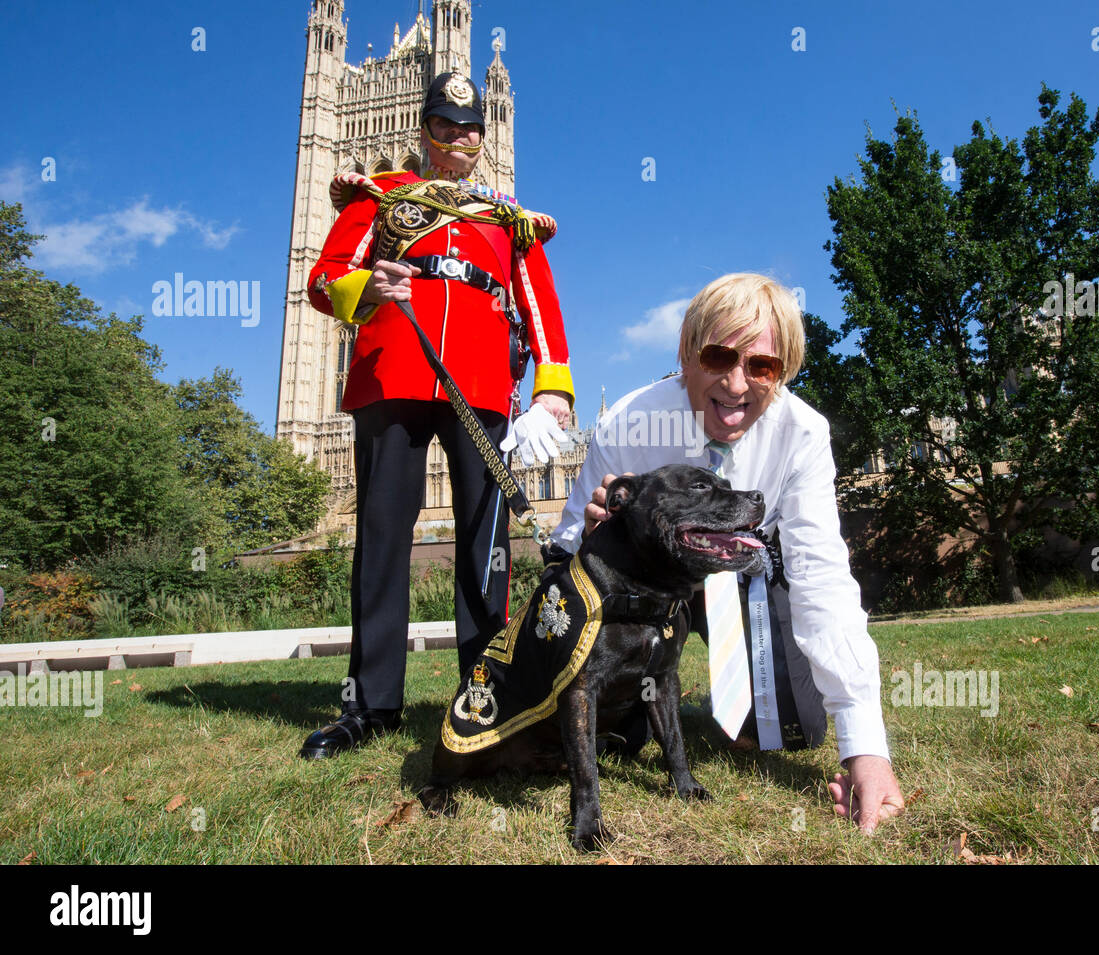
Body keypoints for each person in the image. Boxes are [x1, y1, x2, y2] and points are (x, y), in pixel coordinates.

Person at [552, 273, 904, 834]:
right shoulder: (628, 422)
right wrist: (593, 535)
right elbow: (569, 541)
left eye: (762, 366)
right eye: (719, 357)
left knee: (790, 731)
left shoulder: (804, 434)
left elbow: (822, 576)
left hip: (744, 588)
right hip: (642, 593)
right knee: (619, 736)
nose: (737, 384)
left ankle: (740, 706)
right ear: (686, 356)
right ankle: (630, 709)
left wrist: (865, 749)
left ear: (782, 373)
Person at [299, 71, 574, 759]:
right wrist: (368, 284)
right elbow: (324, 278)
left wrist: (553, 389)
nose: (457, 138)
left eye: (469, 128)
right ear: (425, 129)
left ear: (484, 138)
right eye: (445, 126)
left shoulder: (507, 221)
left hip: (479, 384)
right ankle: (372, 703)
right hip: (392, 371)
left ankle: (485, 696)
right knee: (382, 537)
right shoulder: (379, 197)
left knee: (486, 546)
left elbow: (539, 301)